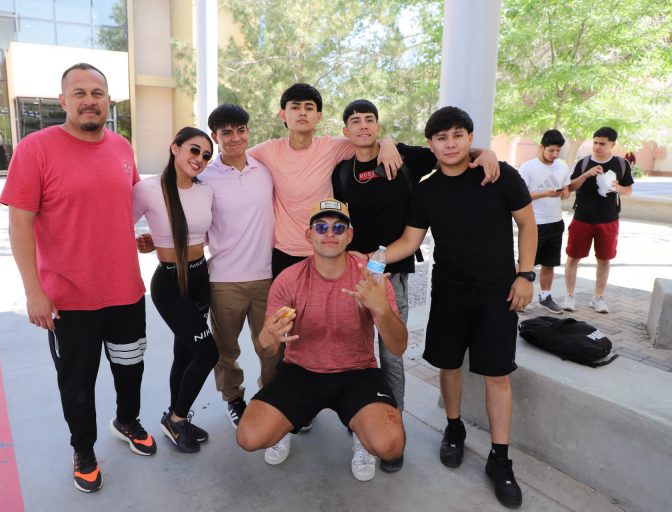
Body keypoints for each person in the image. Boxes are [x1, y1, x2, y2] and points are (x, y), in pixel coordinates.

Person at [0, 62, 155, 494]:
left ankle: (127, 420)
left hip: (125, 290)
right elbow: (19, 224)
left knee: (130, 369)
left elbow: (119, 206)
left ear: (109, 101)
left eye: (97, 93)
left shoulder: (122, 147)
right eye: (80, 93)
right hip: (69, 298)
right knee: (78, 382)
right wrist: (34, 291)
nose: (90, 101)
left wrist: (139, 239)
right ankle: (83, 448)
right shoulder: (35, 149)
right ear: (63, 101)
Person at [330, 99, 500, 473]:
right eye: (355, 121)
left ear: (378, 127)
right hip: (355, 275)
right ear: (346, 131)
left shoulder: (406, 158)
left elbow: (453, 151)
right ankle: (359, 420)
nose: (363, 126)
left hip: (393, 275)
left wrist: (486, 153)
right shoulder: (341, 172)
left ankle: (394, 426)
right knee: (355, 353)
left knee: (391, 355)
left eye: (370, 120)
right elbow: (338, 222)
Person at [386, 106, 537, 508]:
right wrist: (370, 260)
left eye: (458, 136)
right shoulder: (427, 190)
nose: (450, 144)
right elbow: (409, 241)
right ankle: (454, 428)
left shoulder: (499, 174)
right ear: (431, 144)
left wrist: (526, 275)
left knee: (497, 375)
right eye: (442, 138)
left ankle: (500, 458)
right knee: (448, 364)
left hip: (498, 292)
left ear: (470, 138)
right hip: (450, 291)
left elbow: (527, 224)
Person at [236, 199, 407, 482]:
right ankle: (285, 427)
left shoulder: (371, 278)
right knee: (249, 436)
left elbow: (399, 346)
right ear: (309, 235)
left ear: (349, 235)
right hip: (301, 371)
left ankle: (362, 440)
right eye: (321, 227)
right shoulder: (289, 279)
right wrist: (267, 338)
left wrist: (382, 309)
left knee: (390, 446)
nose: (330, 233)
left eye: (338, 228)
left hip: (357, 372)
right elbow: (264, 349)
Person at [247, 83, 402, 278]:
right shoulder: (268, 150)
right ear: (283, 115)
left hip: (327, 250)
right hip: (286, 251)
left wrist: (387, 143)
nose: (302, 113)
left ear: (318, 117)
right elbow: (233, 159)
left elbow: (367, 141)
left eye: (309, 108)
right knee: (284, 299)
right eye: (295, 107)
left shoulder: (331, 147)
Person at [133, 127, 219, 454]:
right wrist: (146, 242)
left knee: (185, 352)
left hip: (200, 277)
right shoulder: (148, 189)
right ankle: (177, 418)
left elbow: (202, 234)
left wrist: (157, 240)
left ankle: (175, 415)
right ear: (175, 148)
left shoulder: (205, 191)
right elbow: (118, 226)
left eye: (206, 155)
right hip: (170, 282)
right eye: (194, 150)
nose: (200, 159)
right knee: (207, 353)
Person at [201, 104, 281, 427]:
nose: (235, 138)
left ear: (248, 131)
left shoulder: (265, 169)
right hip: (224, 280)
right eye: (226, 133)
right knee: (226, 350)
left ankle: (272, 397)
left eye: (241, 130)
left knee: (271, 347)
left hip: (267, 277)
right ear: (215, 137)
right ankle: (234, 398)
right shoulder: (205, 177)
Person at [563, 127, 634, 313]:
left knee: (604, 259)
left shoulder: (621, 164)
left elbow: (629, 190)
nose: (597, 147)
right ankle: (569, 296)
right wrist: (586, 174)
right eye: (595, 142)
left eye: (602, 143)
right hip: (582, 218)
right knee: (573, 257)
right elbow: (570, 187)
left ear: (612, 144)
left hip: (609, 219)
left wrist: (618, 188)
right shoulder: (584, 162)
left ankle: (598, 298)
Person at [518, 129, 571, 314]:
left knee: (550, 263)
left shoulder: (562, 167)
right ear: (541, 147)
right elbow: (520, 196)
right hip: (534, 223)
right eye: (551, 150)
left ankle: (545, 297)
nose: (555, 154)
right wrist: (544, 194)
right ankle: (517, 297)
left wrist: (565, 192)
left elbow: (566, 189)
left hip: (555, 222)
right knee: (526, 263)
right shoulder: (527, 167)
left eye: (558, 151)